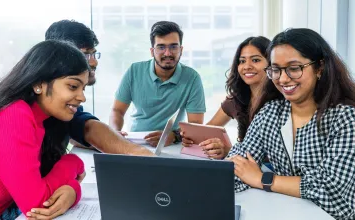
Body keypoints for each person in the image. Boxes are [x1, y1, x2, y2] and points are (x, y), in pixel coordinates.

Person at [226, 28, 355, 219]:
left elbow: (332, 192)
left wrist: (262, 179)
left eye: (294, 68)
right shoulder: (271, 112)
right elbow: (238, 164)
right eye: (276, 69)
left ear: (319, 68)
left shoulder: (345, 118)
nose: (283, 79)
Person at [0, 40, 89, 219]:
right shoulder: (11, 117)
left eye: (83, 88)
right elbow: (36, 204)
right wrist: (74, 163)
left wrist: (72, 191)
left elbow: (39, 191)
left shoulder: (39, 120)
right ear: (39, 84)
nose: (82, 97)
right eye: (73, 86)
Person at [44, 20, 152, 156]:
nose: (94, 62)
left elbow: (83, 126)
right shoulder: (23, 112)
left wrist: (112, 141)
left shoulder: (64, 103)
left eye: (93, 54)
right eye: (85, 55)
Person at [109, 21, 206, 147]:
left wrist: (172, 136)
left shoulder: (192, 78)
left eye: (173, 47)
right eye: (161, 47)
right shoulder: (134, 71)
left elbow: (195, 125)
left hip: (173, 143)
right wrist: (115, 132)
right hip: (136, 141)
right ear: (152, 51)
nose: (167, 53)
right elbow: (117, 110)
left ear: (181, 50)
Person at [181, 36, 270, 159]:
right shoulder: (236, 99)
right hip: (243, 166)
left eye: (255, 60)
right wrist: (191, 138)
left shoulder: (280, 102)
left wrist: (229, 151)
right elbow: (207, 130)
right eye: (242, 61)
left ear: (271, 63)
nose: (247, 66)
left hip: (270, 170)